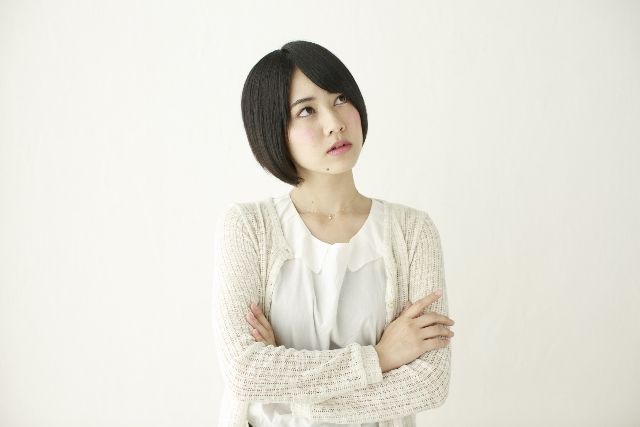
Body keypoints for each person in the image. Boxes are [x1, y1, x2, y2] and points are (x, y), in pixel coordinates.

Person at [212, 40, 454, 427]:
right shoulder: (248, 227)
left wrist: (295, 396)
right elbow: (244, 371)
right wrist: (380, 358)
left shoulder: (412, 231)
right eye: (306, 110)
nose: (335, 122)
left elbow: (429, 383)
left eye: (340, 98)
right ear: (274, 130)